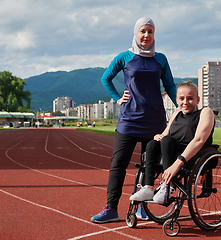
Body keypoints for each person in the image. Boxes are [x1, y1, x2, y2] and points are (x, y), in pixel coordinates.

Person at [90, 17, 177, 223]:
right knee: (118, 164)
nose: (146, 35)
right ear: (137, 33)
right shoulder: (125, 57)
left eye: (150, 32)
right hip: (129, 120)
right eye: (143, 31)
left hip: (155, 121)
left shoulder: (161, 59)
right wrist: (117, 98)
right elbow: (106, 78)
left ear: (154, 34)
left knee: (149, 166)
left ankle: (141, 208)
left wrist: (183, 107)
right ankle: (111, 208)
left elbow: (170, 85)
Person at [129, 81, 215, 204]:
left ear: (198, 99)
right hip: (171, 150)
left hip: (192, 154)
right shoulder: (176, 113)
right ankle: (148, 187)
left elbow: (199, 140)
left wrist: (177, 164)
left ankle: (167, 186)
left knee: (167, 140)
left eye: (190, 98)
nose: (185, 102)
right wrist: (158, 136)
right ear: (177, 100)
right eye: (181, 99)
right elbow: (165, 134)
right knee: (153, 143)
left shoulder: (205, 112)